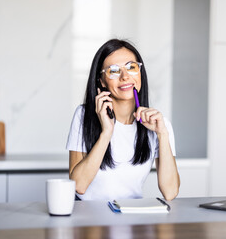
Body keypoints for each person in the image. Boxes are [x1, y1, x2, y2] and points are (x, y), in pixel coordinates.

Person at [66, 39, 180, 201]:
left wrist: (162, 134)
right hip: (90, 219)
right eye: (113, 70)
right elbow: (78, 186)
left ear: (140, 73)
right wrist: (107, 132)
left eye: (131, 67)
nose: (125, 76)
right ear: (101, 80)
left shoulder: (159, 125)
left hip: (132, 217)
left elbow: (170, 192)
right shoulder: (84, 115)